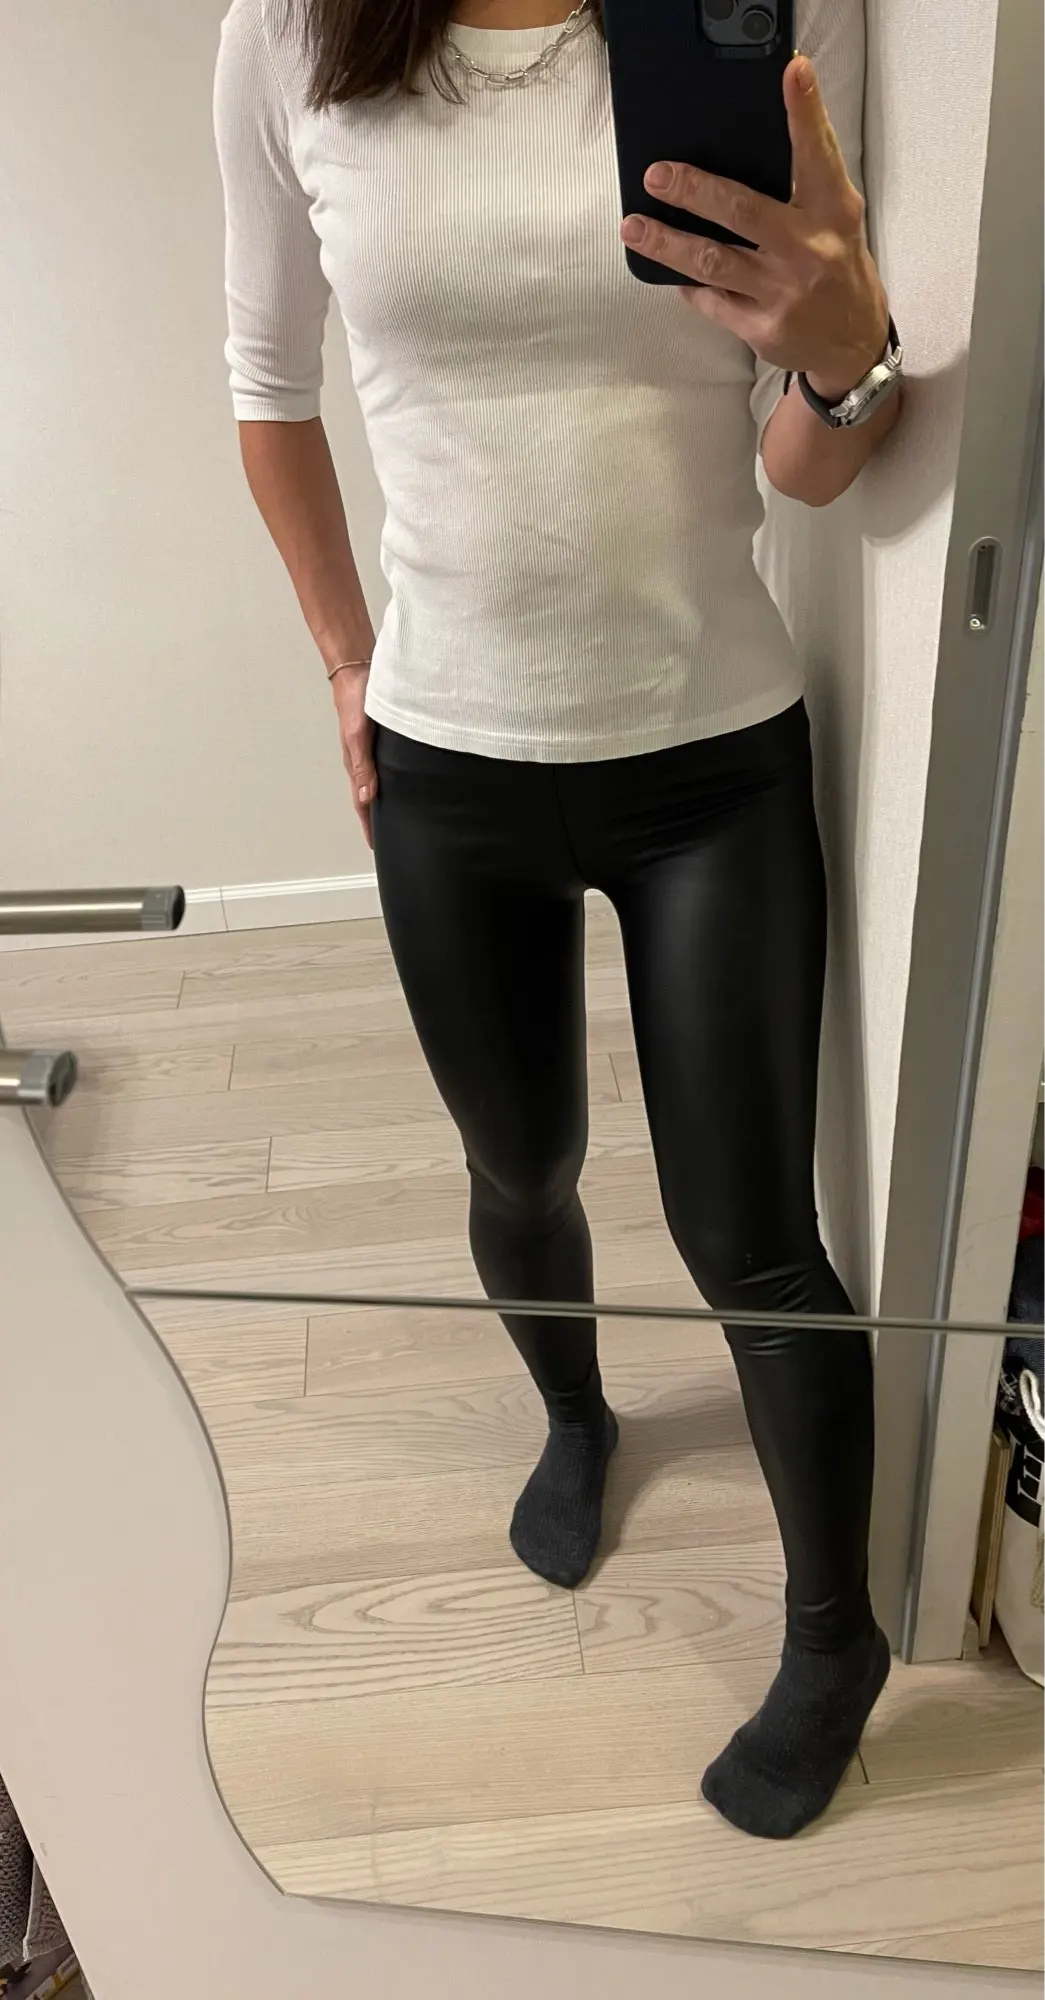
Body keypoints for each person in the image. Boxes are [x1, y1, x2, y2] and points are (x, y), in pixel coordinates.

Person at [215, 0, 904, 1840]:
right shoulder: (290, 32)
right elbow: (267, 386)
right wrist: (344, 658)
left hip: (715, 753)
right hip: (449, 765)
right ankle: (580, 1417)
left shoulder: (761, 10)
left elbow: (806, 454)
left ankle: (835, 1640)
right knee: (520, 1167)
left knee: (754, 1236)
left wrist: (851, 360)